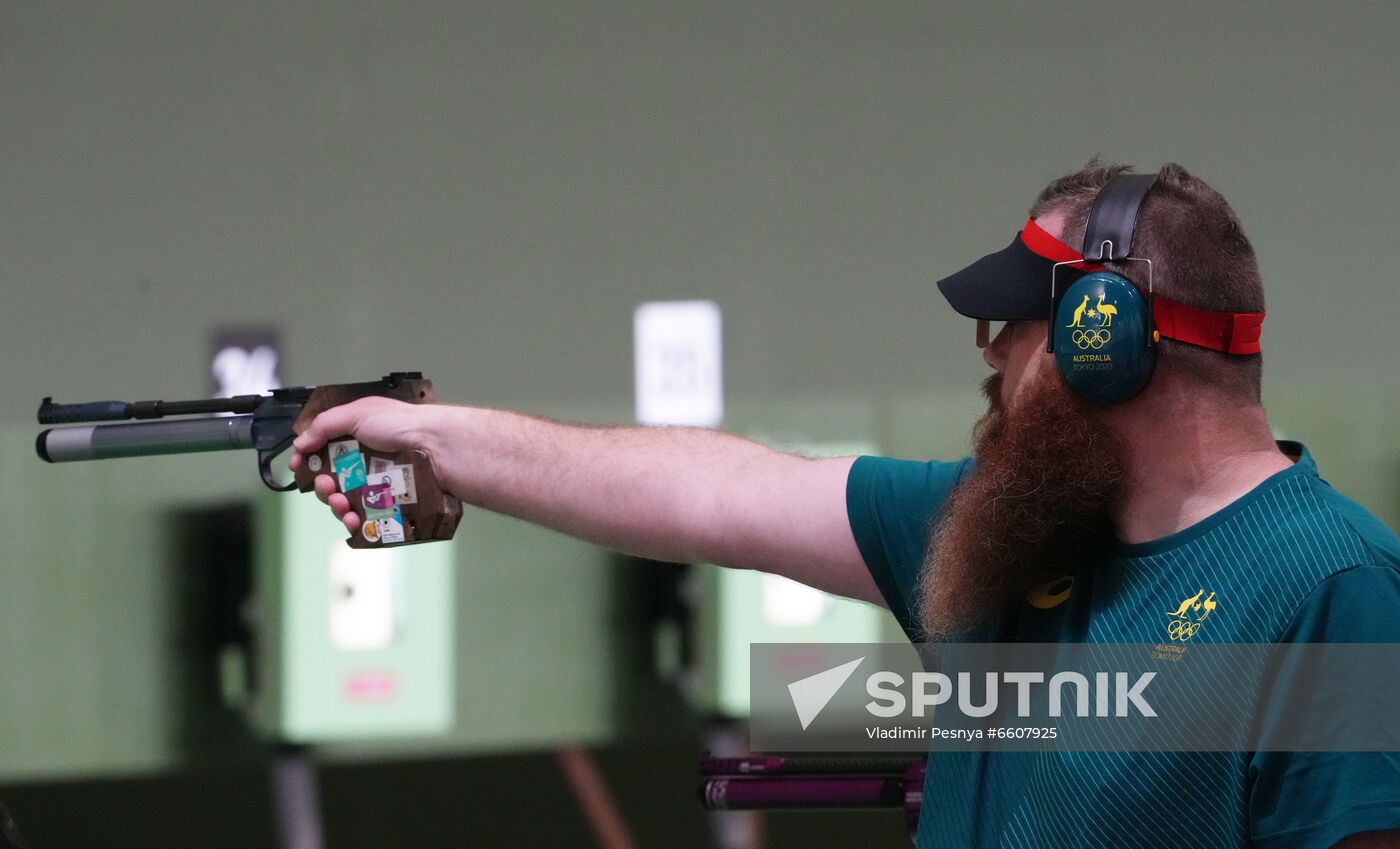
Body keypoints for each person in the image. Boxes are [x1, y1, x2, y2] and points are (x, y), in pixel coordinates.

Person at [289, 162, 1400, 848]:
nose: (989, 358)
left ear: (1099, 334)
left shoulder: (1325, 588)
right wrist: (439, 438)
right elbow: (712, 493)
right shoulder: (1001, 538)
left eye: (1012, 327)